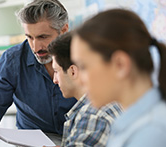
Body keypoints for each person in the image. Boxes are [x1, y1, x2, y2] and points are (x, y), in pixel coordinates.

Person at [0, 0, 77, 145]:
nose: (35, 47)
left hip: (78, 141)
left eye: (43, 37)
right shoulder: (13, 60)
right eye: (29, 37)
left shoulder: (83, 56)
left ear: (64, 30)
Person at [71, 9, 166, 147]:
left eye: (84, 67)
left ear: (120, 65)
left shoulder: (152, 132)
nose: (79, 80)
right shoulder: (135, 122)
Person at [47, 32, 122, 147]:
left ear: (73, 71)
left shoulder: (92, 116)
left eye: (56, 71)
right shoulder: (112, 101)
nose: (55, 80)